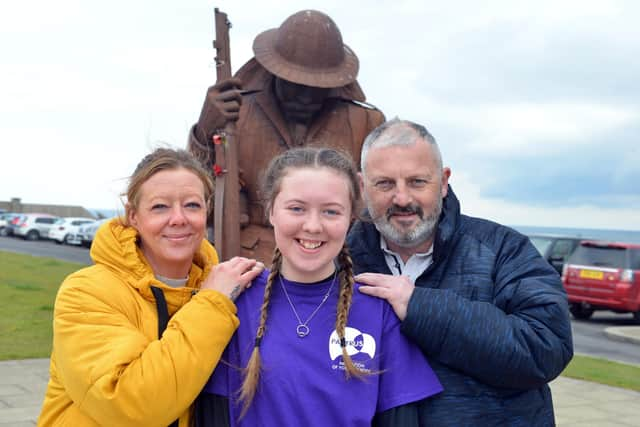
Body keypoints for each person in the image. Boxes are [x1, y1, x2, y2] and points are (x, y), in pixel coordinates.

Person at [347, 118, 574, 425]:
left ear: (443, 181)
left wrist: (421, 307)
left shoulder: (504, 249)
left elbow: (547, 348)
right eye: (385, 183)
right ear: (362, 186)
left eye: (417, 181)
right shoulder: (338, 261)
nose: (402, 199)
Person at [194, 147, 442, 427]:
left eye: (331, 212)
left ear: (350, 219)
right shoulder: (234, 302)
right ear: (271, 212)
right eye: (297, 208)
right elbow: (211, 413)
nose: (313, 226)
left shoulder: (378, 310)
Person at [38, 148, 264, 426]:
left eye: (192, 205)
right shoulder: (86, 291)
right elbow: (132, 404)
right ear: (133, 216)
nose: (179, 218)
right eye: (160, 207)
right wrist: (213, 302)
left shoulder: (224, 287)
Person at [188, 9, 385, 262]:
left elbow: (380, 200)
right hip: (247, 263)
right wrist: (204, 131)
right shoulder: (235, 111)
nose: (304, 98)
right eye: (294, 85)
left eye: (315, 89)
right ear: (274, 72)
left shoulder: (365, 122)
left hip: (334, 264)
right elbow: (195, 188)